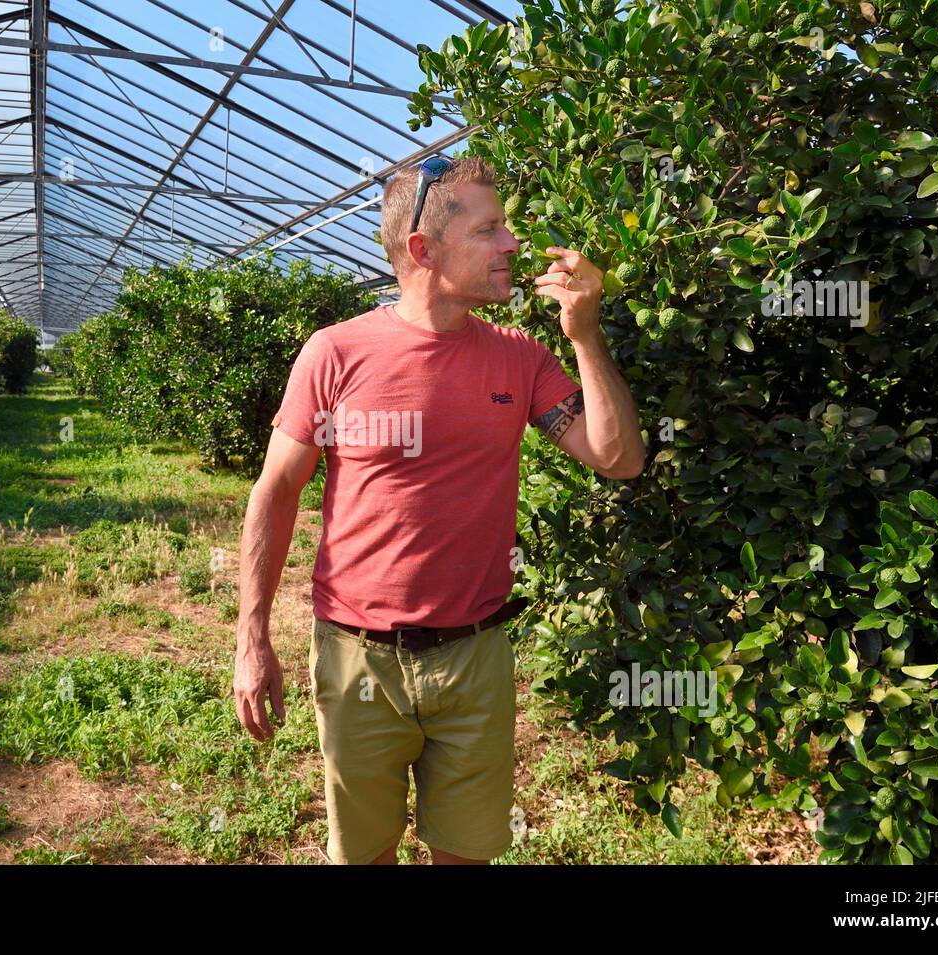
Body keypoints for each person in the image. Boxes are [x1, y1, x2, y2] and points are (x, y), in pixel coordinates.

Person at [232, 154, 645, 865]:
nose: (512, 244)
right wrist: (252, 637)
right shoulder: (335, 353)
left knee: (467, 854)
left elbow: (619, 457)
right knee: (365, 855)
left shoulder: (519, 358)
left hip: (475, 657)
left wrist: (583, 333)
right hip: (358, 659)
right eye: (489, 231)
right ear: (423, 251)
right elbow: (275, 490)